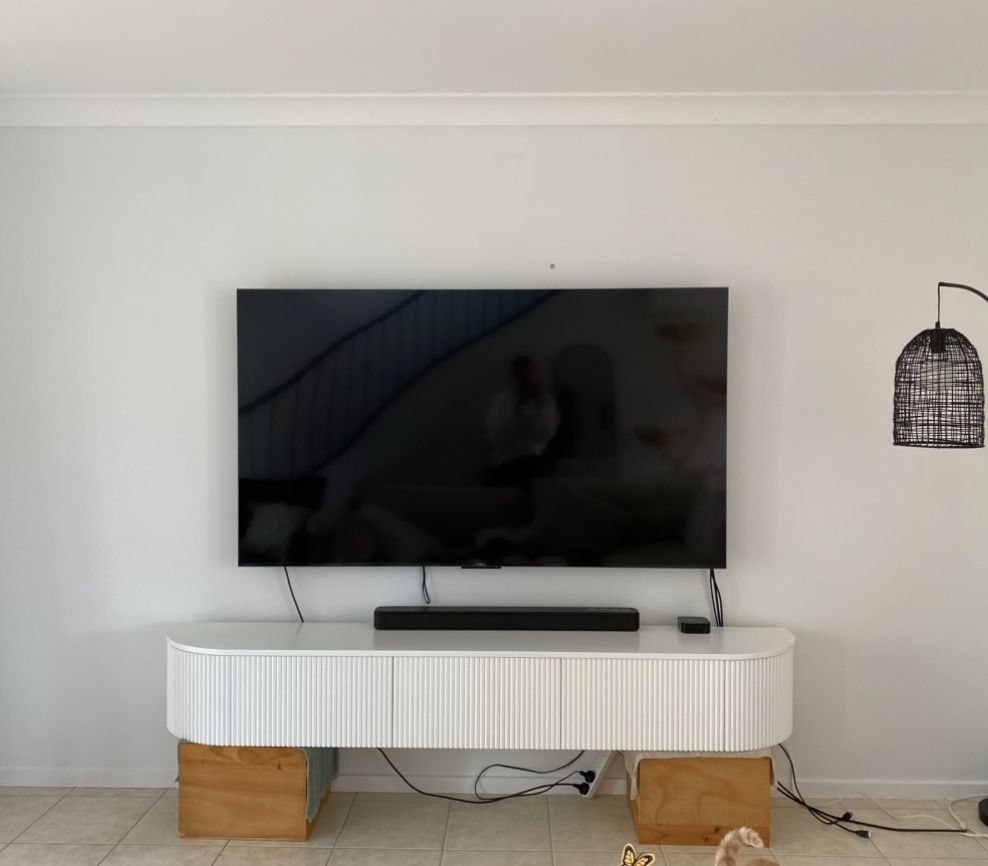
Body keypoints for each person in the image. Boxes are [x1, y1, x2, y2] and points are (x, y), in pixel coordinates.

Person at [485, 355, 560, 487]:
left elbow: (545, 434)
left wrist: (540, 404)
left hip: (536, 461)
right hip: (508, 461)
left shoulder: (545, 402)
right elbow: (497, 439)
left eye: (527, 375)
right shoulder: (501, 402)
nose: (524, 380)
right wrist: (517, 412)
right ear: (513, 377)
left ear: (534, 375)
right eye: (520, 375)